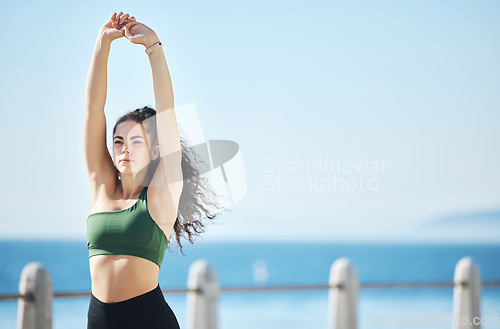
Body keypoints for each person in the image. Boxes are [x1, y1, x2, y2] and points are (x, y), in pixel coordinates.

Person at [84, 12, 222, 329]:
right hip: (98, 320)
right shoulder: (101, 187)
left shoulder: (160, 196)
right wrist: (102, 44)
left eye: (136, 141)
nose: (124, 148)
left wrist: (153, 48)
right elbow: (93, 109)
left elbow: (168, 114)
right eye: (118, 141)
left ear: (155, 151)